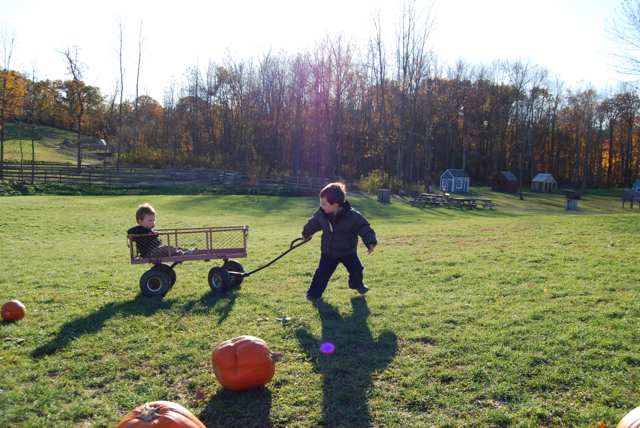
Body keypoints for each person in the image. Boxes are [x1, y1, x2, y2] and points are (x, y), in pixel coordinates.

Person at [301, 182, 377, 300]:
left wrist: (370, 243)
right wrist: (306, 234)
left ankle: (356, 284)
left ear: (335, 205)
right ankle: (313, 293)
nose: (321, 206)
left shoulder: (353, 217)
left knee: (357, 269)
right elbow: (313, 223)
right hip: (328, 252)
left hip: (348, 252)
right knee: (322, 273)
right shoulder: (321, 214)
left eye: (324, 203)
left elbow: (365, 229)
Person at [127, 203, 196, 258]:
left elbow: (154, 242)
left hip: (154, 251)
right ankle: (184, 254)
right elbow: (139, 232)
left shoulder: (147, 230)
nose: (152, 223)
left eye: (154, 220)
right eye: (149, 221)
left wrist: (157, 238)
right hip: (149, 254)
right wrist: (152, 233)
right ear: (140, 221)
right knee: (167, 248)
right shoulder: (140, 230)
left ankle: (187, 251)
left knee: (173, 248)